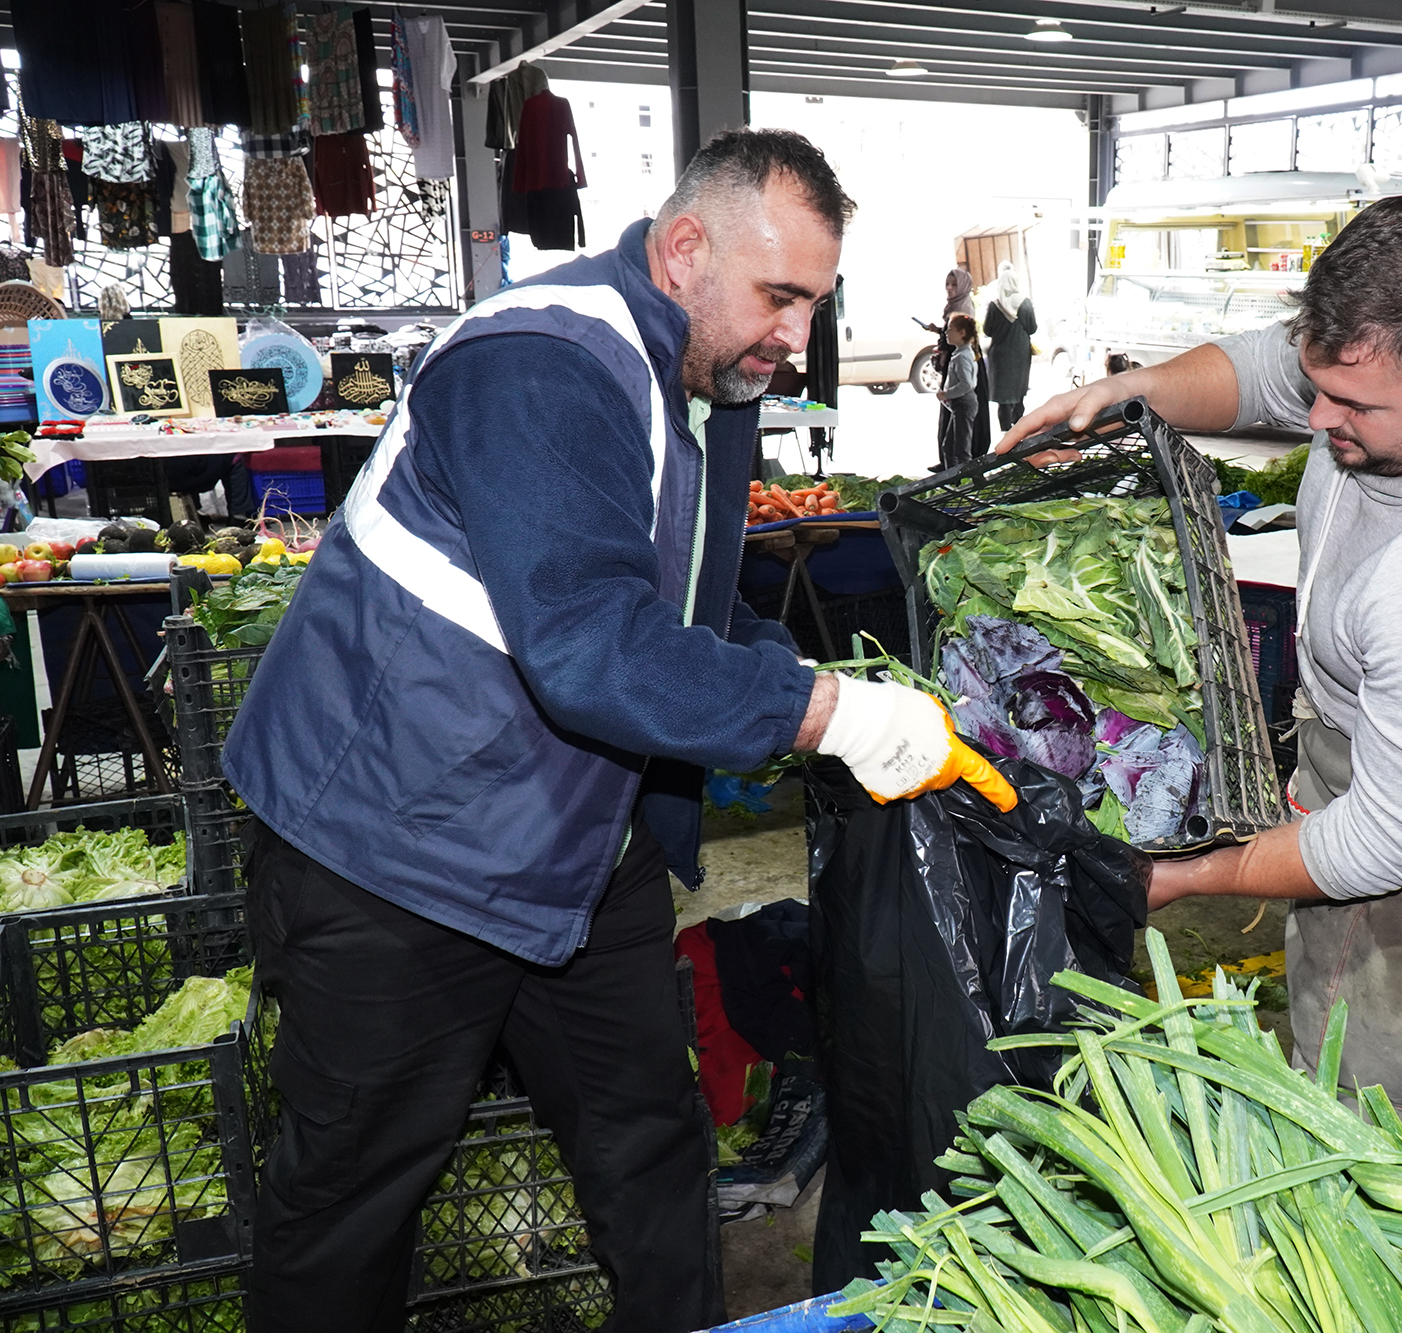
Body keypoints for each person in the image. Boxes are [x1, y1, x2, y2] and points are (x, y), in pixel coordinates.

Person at [224, 128, 1016, 1333]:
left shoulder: (709, 380)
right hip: (397, 845)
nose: (796, 338)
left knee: (651, 1137)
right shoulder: (542, 362)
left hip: (576, 841)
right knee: (355, 1190)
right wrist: (828, 713)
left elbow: (693, 603)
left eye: (815, 302)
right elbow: (591, 644)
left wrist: (797, 670)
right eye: (781, 297)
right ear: (685, 245)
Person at [998, 194, 1402, 1130]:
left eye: (1355, 405)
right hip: (1380, 735)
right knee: (1329, 987)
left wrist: (1189, 875)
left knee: (1397, 1087)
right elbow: (1267, 372)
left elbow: (1388, 844)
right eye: (1318, 382)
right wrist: (1136, 393)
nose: (1315, 412)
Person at [983, 260, 1036, 432]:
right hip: (1020, 354)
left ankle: (1005, 430)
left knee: (1002, 397)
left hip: (1000, 356)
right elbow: (1032, 328)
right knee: (1018, 391)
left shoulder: (995, 305)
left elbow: (987, 330)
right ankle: (1018, 424)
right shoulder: (1025, 303)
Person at [936, 312, 980, 468]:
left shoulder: (962, 357)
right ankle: (954, 480)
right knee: (949, 447)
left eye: (950, 330)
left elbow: (966, 384)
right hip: (961, 404)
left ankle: (972, 481)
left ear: (962, 333)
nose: (947, 333)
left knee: (961, 449)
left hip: (964, 403)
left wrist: (946, 394)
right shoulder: (962, 353)